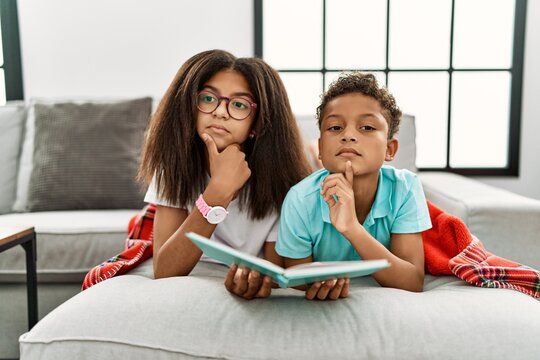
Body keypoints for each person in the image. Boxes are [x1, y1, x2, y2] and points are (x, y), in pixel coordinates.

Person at [138, 49, 311, 299]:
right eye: (208, 99)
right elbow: (165, 270)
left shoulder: (283, 179)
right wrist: (217, 194)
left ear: (257, 125)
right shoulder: (173, 164)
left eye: (239, 105)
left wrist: (258, 282)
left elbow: (277, 272)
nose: (220, 112)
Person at [276, 72, 432, 300]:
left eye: (367, 127)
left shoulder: (405, 187)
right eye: (335, 128)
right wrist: (319, 284)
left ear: (390, 149)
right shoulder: (299, 198)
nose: (348, 135)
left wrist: (351, 228)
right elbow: (297, 281)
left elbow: (412, 281)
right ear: (321, 148)